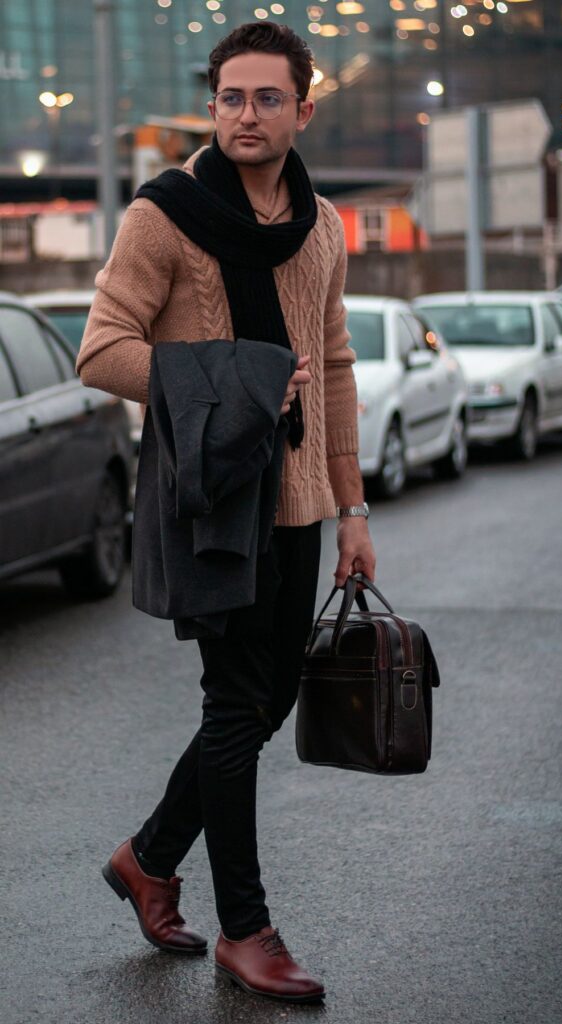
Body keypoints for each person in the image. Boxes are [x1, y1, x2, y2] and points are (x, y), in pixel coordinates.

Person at [77, 20, 376, 1005]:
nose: (247, 115)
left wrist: (352, 509)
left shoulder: (321, 226)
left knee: (264, 703)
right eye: (230, 98)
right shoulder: (163, 216)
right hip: (211, 503)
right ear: (212, 107)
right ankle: (247, 930)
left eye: (266, 98)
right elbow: (101, 349)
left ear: (303, 109)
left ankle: (149, 857)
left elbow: (334, 366)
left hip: (297, 503)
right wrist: (236, 381)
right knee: (233, 705)